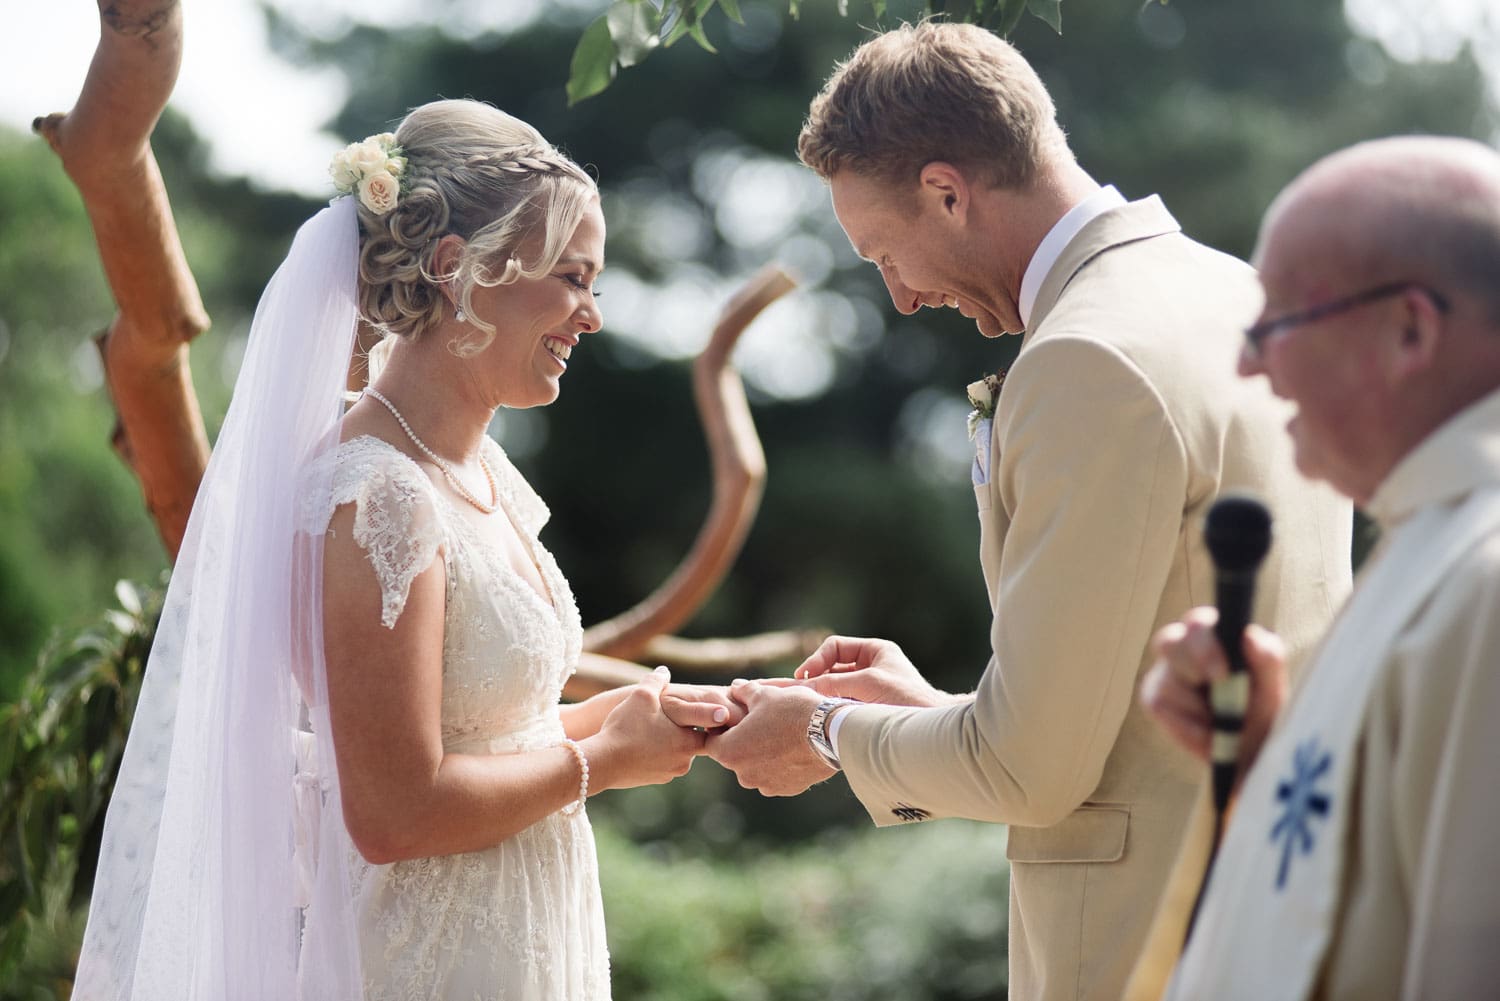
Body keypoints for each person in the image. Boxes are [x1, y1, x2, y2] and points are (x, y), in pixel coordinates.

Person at [705, 22, 1353, 1000]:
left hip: (1150, 943)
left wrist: (823, 729)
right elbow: (1111, 720)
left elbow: (1030, 773)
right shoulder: (1239, 295)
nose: (904, 296)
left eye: (887, 254)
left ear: (947, 190)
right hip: (1292, 908)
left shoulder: (1085, 357)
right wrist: (931, 710)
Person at [71, 98, 730, 1001]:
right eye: (572, 278)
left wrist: (645, 720)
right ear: (462, 270)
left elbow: (492, 733)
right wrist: (604, 761)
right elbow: (392, 809)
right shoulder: (377, 492)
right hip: (431, 963)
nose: (592, 316)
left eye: (595, 284)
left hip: (529, 937)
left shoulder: (476, 470)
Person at [1142, 135, 1500, 1001]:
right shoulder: (1431, 540)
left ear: (1409, 328)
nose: (1247, 361)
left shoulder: (1486, 578)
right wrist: (1267, 746)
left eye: (1278, 323)